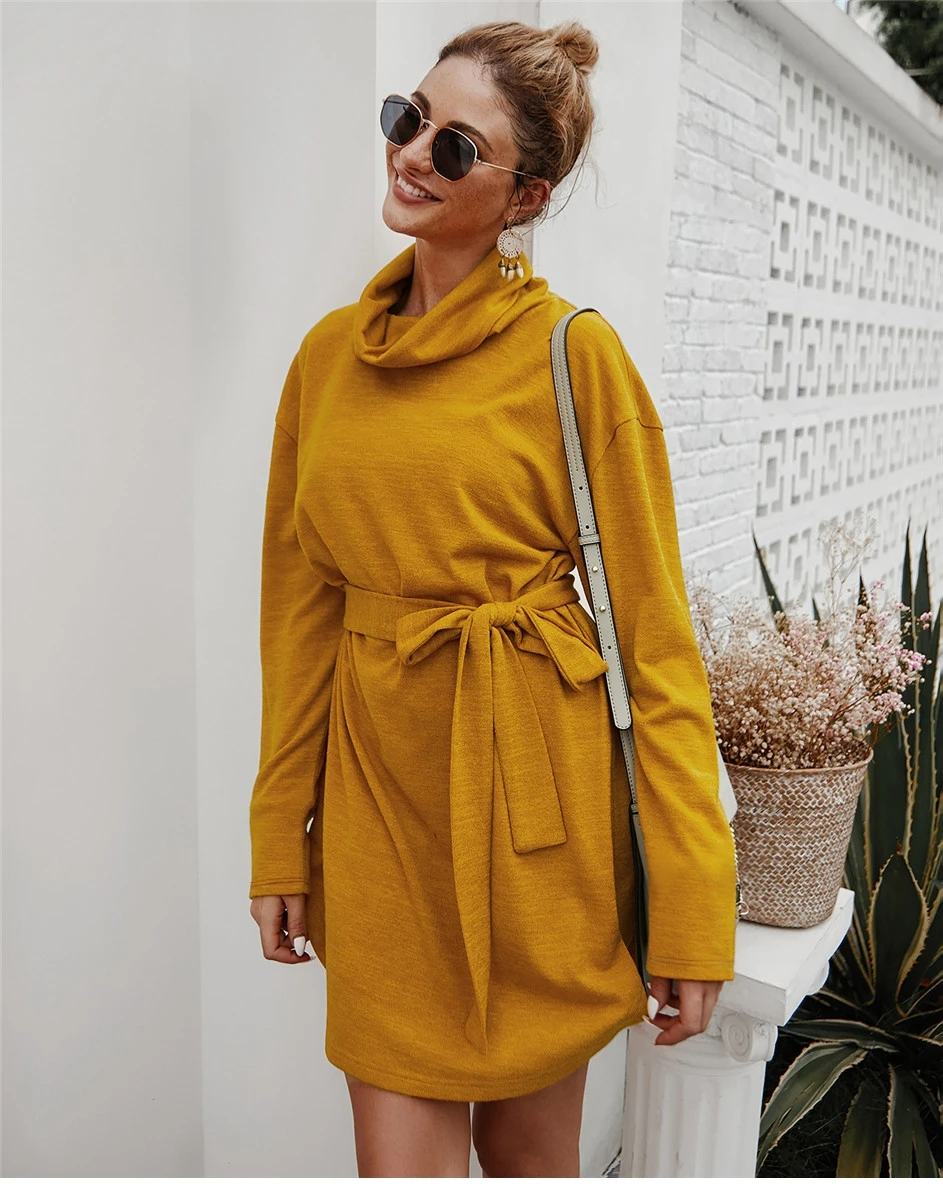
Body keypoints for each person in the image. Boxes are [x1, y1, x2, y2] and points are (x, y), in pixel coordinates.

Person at [248, 18, 738, 1179]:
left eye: (456, 146)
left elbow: (657, 649)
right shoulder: (325, 363)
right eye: (408, 119)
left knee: (530, 1158)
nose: (414, 153)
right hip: (376, 810)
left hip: (534, 815)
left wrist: (690, 904)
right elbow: (299, 619)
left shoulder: (574, 355)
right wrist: (279, 838)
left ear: (526, 196)